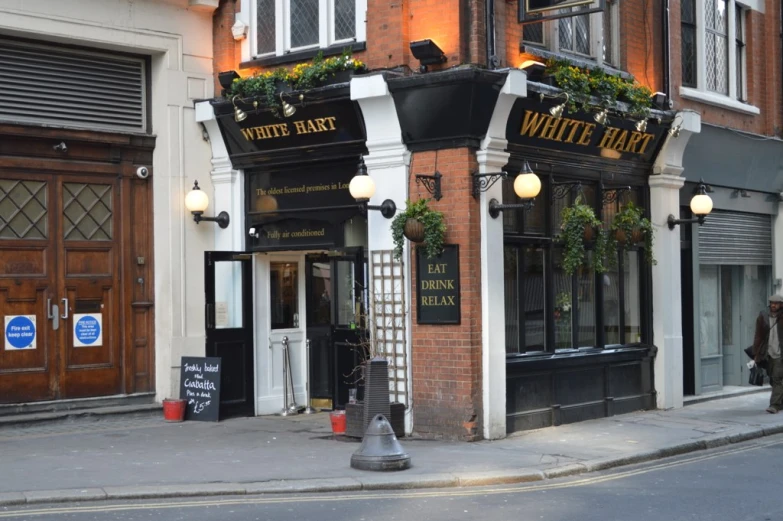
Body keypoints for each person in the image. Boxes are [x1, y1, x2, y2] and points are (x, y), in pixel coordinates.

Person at [752, 294, 783, 413]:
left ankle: (774, 405)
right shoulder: (763, 316)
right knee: (772, 378)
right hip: (767, 353)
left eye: (776, 303)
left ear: (781, 304)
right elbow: (758, 335)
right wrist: (756, 353)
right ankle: (780, 402)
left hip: (780, 354)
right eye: (772, 303)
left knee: (777, 378)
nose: (773, 305)